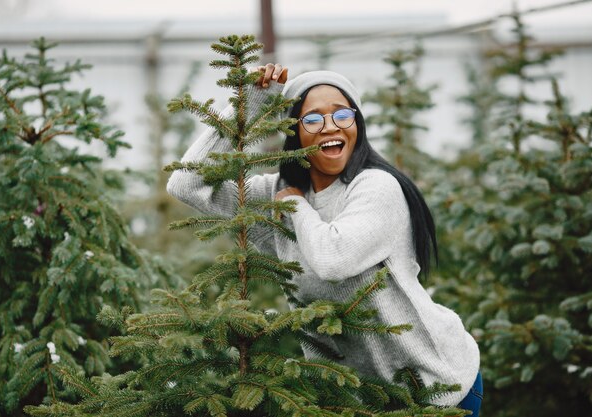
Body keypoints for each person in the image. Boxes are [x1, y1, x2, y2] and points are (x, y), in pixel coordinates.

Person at [167, 63, 482, 415]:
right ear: (294, 132)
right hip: (351, 402)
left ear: (357, 124)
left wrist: (295, 207)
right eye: (312, 119)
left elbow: (334, 259)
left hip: (437, 390)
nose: (330, 126)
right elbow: (186, 183)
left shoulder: (375, 186)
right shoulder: (273, 192)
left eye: (342, 115)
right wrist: (251, 103)